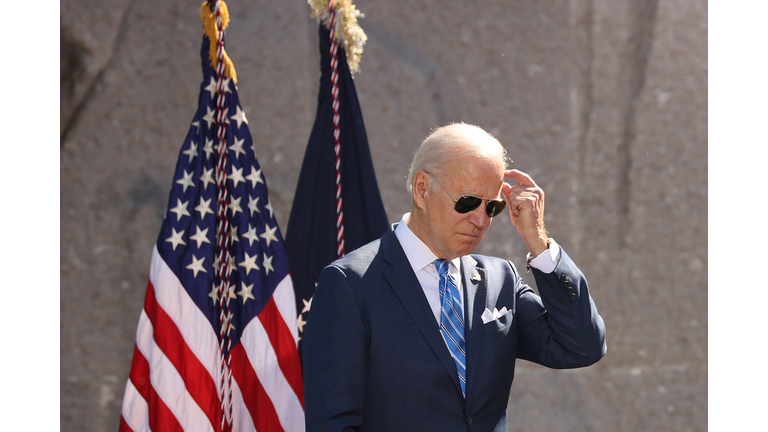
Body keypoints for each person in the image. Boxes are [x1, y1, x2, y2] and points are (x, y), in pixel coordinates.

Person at [302, 123, 606, 432]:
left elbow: (582, 346)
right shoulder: (350, 283)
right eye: (468, 201)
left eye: (493, 207)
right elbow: (333, 423)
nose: (480, 219)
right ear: (422, 189)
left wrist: (538, 241)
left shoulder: (499, 280)